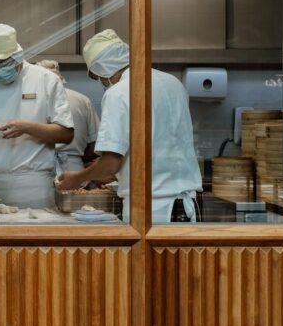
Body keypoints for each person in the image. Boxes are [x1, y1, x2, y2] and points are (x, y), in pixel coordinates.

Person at [56, 29, 202, 223]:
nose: (100, 82)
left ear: (103, 68)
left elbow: (110, 163)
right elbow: (156, 148)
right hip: (186, 205)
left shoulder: (120, 92)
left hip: (152, 209)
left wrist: (78, 178)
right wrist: (116, 174)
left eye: (97, 76)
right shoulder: (173, 83)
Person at [0, 24, 74, 209]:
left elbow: (66, 133)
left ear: (18, 56)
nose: (0, 70)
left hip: (33, 184)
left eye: (5, 63)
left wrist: (28, 127)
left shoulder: (45, 80)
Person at [37, 59, 100, 173]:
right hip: (73, 168)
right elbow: (95, 145)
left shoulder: (30, 101)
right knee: (74, 191)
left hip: (39, 167)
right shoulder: (82, 100)